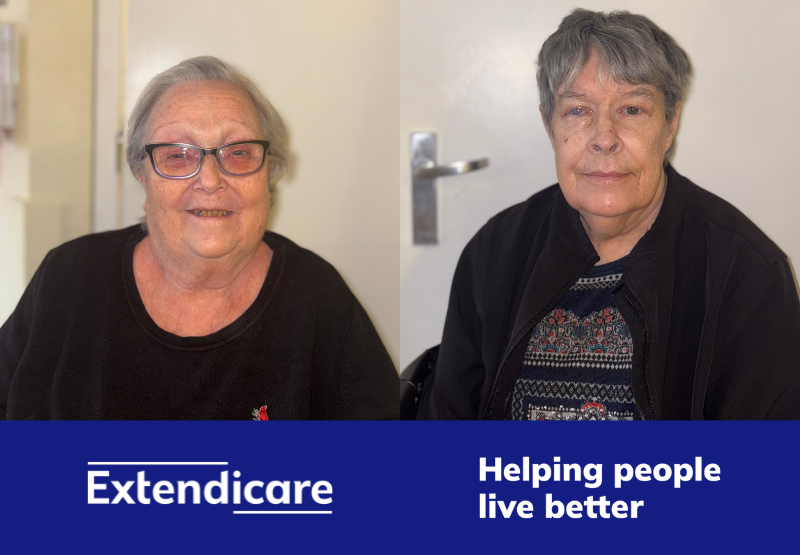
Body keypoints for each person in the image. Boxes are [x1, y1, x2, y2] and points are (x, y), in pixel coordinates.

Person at [417, 9, 800, 420]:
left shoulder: (746, 273)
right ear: (549, 126)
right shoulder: (492, 254)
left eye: (632, 110)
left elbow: (760, 472)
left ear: (669, 126)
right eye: (578, 111)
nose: (604, 139)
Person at [0, 56, 398, 420]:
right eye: (177, 154)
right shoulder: (67, 276)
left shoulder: (319, 297)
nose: (209, 181)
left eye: (238, 152)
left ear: (269, 172)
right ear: (143, 175)